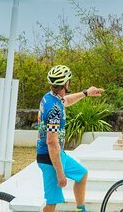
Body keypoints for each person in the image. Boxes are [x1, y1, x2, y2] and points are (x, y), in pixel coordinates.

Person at [37, 64, 104, 212]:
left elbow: (66, 101)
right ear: (66, 84)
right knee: (52, 202)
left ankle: (81, 210)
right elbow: (51, 142)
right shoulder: (54, 111)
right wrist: (60, 173)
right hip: (49, 158)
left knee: (81, 174)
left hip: (57, 155)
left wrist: (86, 93)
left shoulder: (50, 98)